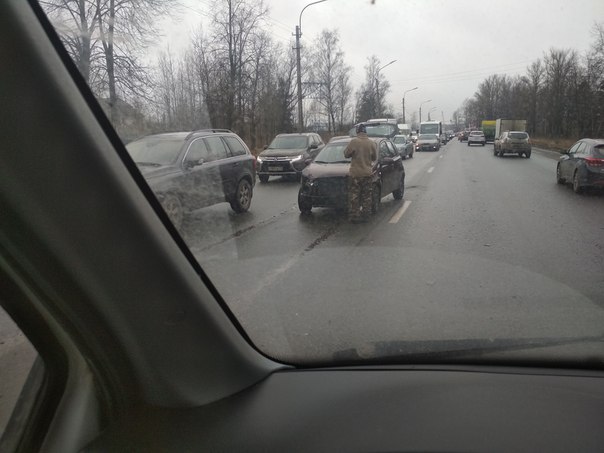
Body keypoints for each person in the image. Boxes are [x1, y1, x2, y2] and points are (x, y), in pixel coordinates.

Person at [344, 123, 377, 223]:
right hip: (367, 173)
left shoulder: (354, 142)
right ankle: (366, 215)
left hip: (355, 174)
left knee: (354, 196)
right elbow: (374, 158)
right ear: (365, 131)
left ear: (357, 131)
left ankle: (355, 216)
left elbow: (346, 154)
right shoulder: (372, 143)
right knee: (367, 196)